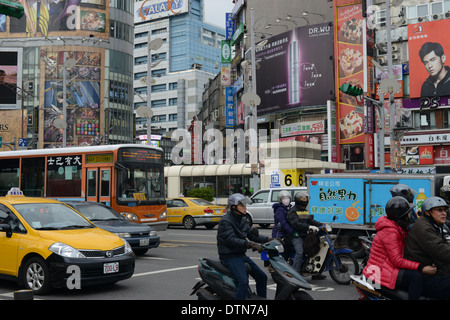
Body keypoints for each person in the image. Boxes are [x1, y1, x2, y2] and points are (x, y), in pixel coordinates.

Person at [363, 197, 436, 300]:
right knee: (417, 277)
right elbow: (397, 260)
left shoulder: (399, 228)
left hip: (384, 268)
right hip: (377, 274)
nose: (411, 215)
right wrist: (421, 267)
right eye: (409, 213)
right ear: (403, 216)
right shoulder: (390, 232)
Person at [217, 193, 269, 300]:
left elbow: (252, 235)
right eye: (242, 205)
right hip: (230, 256)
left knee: (262, 277)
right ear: (234, 207)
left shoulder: (242, 220)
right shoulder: (226, 221)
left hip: (240, 255)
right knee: (243, 281)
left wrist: (269, 239)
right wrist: (249, 244)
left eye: (245, 205)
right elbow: (230, 240)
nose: (245, 207)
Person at [404, 196, 450, 299]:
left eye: (444, 210)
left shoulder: (435, 225)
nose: (444, 213)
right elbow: (441, 250)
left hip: (434, 269)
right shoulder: (424, 228)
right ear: (428, 212)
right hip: (424, 275)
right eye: (439, 210)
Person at [286, 191, 322, 277]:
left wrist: (320, 224)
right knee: (300, 251)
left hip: (305, 235)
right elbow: (296, 224)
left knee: (316, 248)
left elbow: (310, 220)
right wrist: (309, 227)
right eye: (303, 199)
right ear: (298, 200)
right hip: (295, 236)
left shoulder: (304, 211)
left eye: (306, 198)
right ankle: (295, 273)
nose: (305, 200)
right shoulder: (293, 211)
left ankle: (316, 273)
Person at [272, 190, 295, 260]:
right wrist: (293, 232)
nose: (286, 200)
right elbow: (283, 223)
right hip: (280, 234)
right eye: (284, 198)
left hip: (287, 233)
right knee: (287, 244)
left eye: (287, 198)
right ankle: (284, 261)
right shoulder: (279, 210)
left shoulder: (289, 208)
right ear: (280, 200)